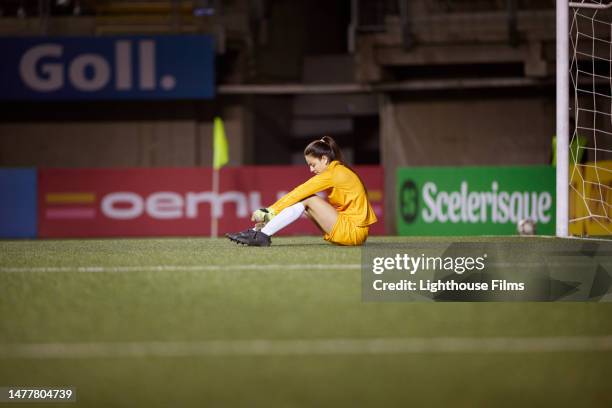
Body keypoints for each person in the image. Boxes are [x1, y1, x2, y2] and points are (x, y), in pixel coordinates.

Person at [226, 136, 377, 246]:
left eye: (313, 164)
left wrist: (270, 210)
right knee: (304, 204)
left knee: (308, 198)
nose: (311, 170)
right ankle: (258, 232)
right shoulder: (336, 170)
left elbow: (300, 192)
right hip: (352, 232)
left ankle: (262, 235)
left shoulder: (333, 173)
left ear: (324, 159)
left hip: (353, 233)